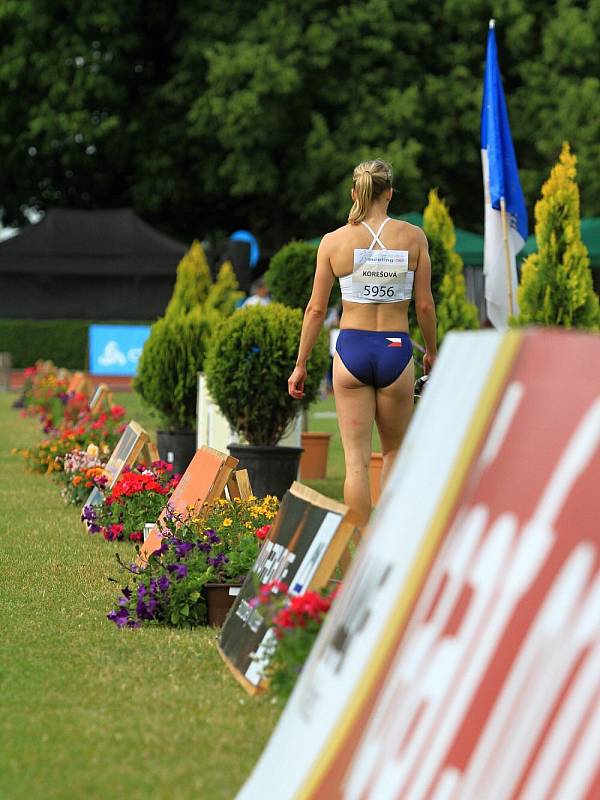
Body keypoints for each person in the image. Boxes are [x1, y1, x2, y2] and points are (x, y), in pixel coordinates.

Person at [288, 159, 437, 522]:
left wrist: (301, 364)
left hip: (351, 350)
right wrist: (432, 350)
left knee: (355, 463)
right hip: (394, 349)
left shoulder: (333, 241)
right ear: (389, 192)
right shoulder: (413, 237)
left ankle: (356, 549)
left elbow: (315, 311)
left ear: (355, 193)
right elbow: (424, 304)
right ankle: (387, 545)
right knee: (394, 455)